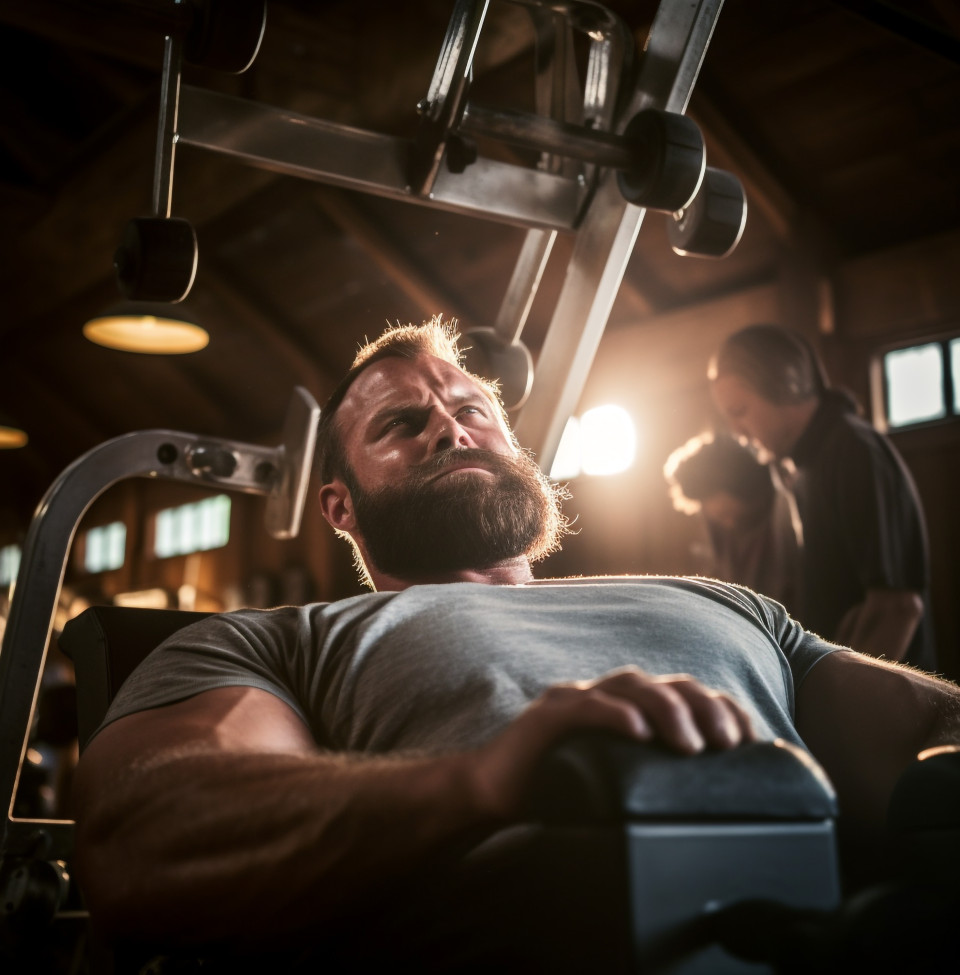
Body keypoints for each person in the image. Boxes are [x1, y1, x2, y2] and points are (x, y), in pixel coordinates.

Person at [72, 318, 960, 969]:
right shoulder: (275, 641)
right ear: (339, 507)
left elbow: (924, 727)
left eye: (472, 411)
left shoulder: (718, 599)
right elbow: (143, 837)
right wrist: (482, 780)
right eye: (401, 424)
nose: (452, 428)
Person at [709, 323, 935, 670]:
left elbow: (897, 608)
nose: (738, 433)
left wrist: (846, 714)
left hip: (890, 711)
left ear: (784, 384)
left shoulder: (853, 450)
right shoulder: (801, 467)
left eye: (740, 411)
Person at [663, 431, 800, 609]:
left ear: (736, 485)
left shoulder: (784, 512)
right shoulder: (718, 534)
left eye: (712, 501)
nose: (723, 520)